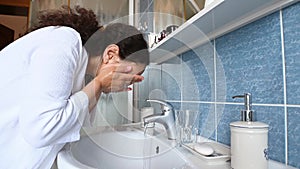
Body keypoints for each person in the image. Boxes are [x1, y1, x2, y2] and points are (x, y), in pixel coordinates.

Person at [0, 6, 149, 169]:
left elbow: (70, 129)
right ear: (110, 54)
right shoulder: (64, 41)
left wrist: (97, 86)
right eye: (130, 75)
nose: (128, 82)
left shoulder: (82, 75)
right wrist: (99, 84)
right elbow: (40, 131)